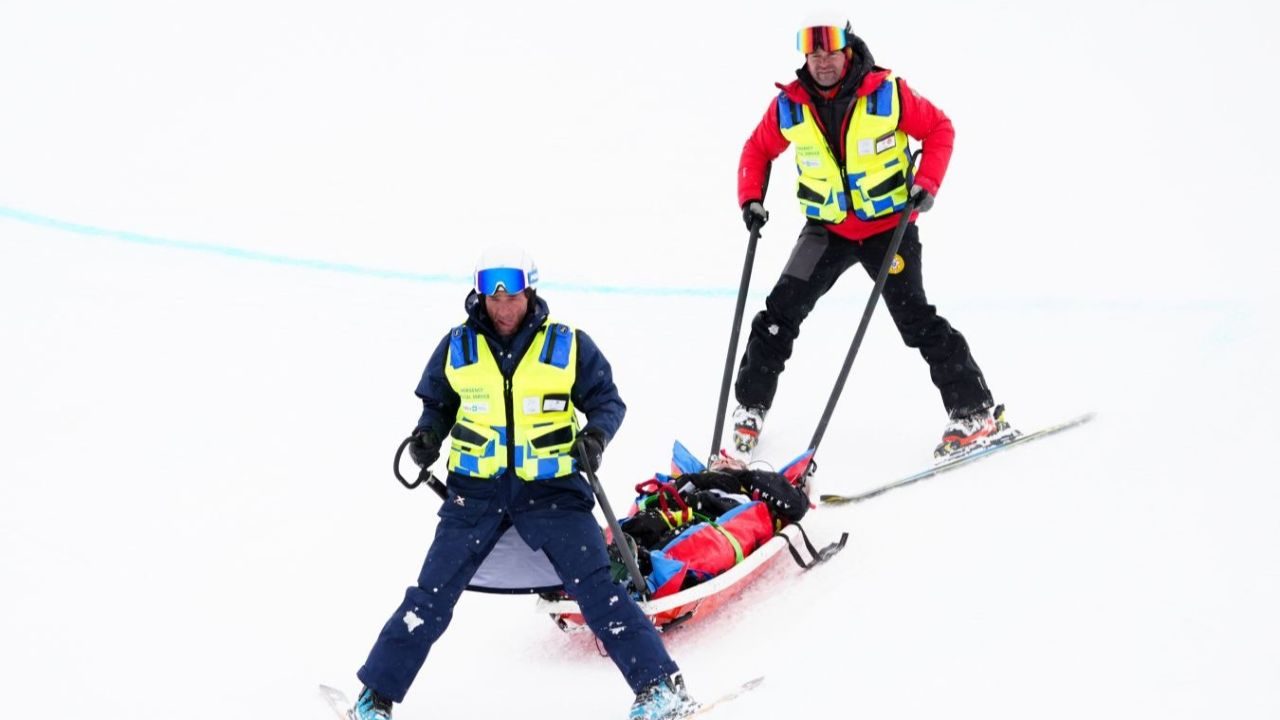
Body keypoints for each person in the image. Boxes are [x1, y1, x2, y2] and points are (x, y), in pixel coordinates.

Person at [351, 246, 697, 720]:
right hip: (474, 494)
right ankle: (374, 698)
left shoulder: (567, 345)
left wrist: (596, 437)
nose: (503, 307)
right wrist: (427, 435)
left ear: (529, 292)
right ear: (480, 296)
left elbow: (607, 402)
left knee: (599, 589)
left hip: (553, 493)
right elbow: (438, 404)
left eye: (511, 296)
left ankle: (660, 687)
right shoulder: (458, 346)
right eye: (493, 297)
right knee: (430, 595)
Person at [728, 19, 1016, 463]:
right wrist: (751, 198)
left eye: (830, 52)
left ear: (847, 51)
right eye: (813, 54)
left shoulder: (887, 93)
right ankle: (750, 407)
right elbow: (757, 149)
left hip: (888, 228)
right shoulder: (790, 105)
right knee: (778, 315)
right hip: (826, 230)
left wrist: (927, 183)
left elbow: (939, 129)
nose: (822, 62)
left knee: (915, 320)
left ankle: (975, 412)